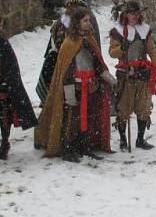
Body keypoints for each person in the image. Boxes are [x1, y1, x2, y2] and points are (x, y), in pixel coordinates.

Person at [35, 9, 116, 162]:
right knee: (71, 120)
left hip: (91, 86)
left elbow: (97, 63)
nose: (88, 23)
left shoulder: (90, 39)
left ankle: (84, 147)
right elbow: (66, 70)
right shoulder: (69, 42)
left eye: (88, 20)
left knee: (89, 118)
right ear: (77, 22)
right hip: (75, 87)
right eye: (85, 20)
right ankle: (68, 149)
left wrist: (107, 77)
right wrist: (69, 91)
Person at [108, 1, 156, 151]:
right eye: (131, 13)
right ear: (125, 14)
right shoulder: (118, 31)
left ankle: (140, 139)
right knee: (123, 108)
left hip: (143, 75)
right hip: (125, 75)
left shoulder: (145, 30)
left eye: (136, 13)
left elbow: (152, 52)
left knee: (144, 108)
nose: (134, 16)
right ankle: (122, 140)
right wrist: (122, 48)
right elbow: (112, 52)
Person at [36, 0, 98, 104]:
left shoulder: (86, 23)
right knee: (59, 94)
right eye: (74, 8)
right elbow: (61, 47)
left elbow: (92, 43)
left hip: (84, 63)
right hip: (61, 61)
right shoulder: (62, 24)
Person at [0, 16, 37, 160]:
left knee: (4, 118)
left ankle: (4, 143)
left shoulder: (3, 44)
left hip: (2, 87)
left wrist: (7, 85)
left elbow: (11, 68)